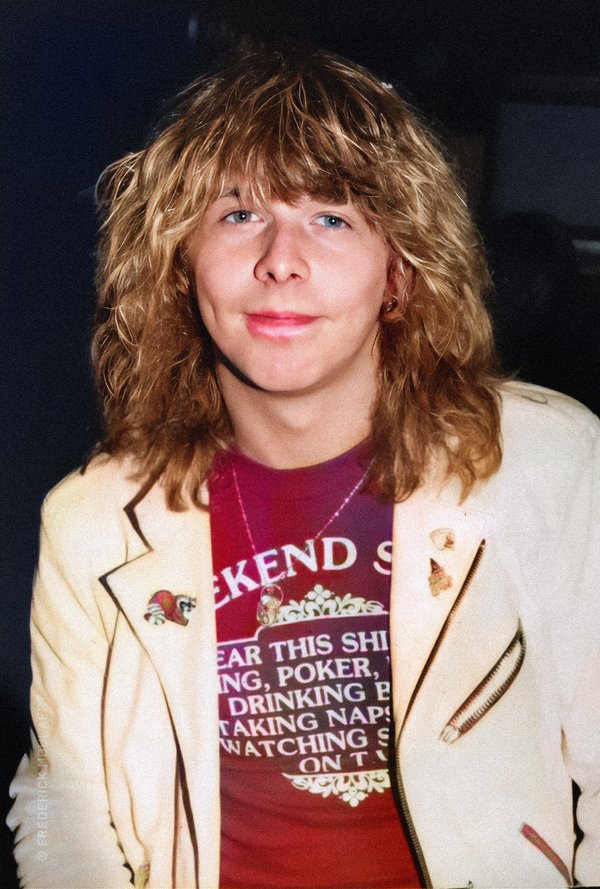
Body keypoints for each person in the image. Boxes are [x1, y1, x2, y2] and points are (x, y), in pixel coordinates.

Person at [7, 48, 600, 889]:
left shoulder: (543, 462)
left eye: (332, 218)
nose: (282, 260)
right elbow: (67, 795)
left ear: (401, 270)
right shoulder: (95, 518)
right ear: (180, 263)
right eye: (239, 214)